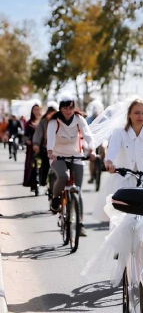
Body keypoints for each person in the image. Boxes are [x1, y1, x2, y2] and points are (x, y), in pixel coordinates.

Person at [94, 98, 143, 223]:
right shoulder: (119, 132)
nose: (141, 116)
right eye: (137, 112)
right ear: (129, 114)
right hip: (122, 180)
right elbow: (111, 153)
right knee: (121, 222)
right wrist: (108, 163)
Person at [46, 95, 95, 235]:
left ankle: (79, 224)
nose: (68, 111)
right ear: (60, 108)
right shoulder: (54, 122)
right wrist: (50, 151)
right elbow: (50, 138)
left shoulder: (79, 119)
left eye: (71, 108)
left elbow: (88, 135)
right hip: (57, 156)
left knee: (77, 191)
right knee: (63, 176)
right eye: (65, 108)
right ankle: (55, 199)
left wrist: (92, 150)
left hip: (75, 155)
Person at [32, 103, 58, 191]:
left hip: (60, 148)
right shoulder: (43, 121)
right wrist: (36, 144)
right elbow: (38, 133)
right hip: (46, 148)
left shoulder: (61, 120)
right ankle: (43, 179)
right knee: (45, 163)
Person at [22, 104, 42, 191]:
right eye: (35, 110)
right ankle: (33, 184)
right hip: (31, 148)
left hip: (42, 147)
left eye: (38, 109)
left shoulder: (43, 122)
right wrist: (27, 141)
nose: (36, 111)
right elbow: (25, 136)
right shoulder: (28, 123)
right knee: (32, 166)